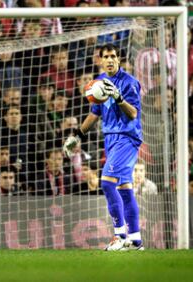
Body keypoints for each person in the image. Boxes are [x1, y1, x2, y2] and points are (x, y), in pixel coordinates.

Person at [63, 43, 143, 251]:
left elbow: (133, 113)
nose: (109, 60)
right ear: (99, 60)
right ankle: (135, 241)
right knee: (124, 189)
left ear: (118, 59)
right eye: (105, 56)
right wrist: (77, 135)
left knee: (107, 182)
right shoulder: (98, 83)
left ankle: (119, 236)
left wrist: (118, 97)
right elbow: (94, 114)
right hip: (110, 140)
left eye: (113, 56)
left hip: (127, 138)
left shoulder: (130, 82)